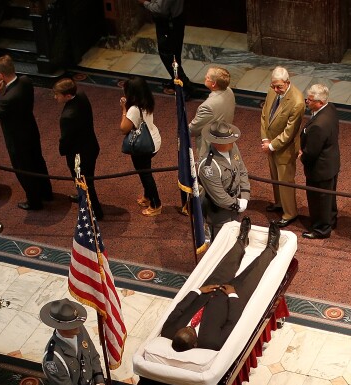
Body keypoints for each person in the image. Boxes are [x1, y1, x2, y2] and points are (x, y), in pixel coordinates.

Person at [161, 218, 280, 351]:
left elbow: (179, 309)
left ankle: (241, 242)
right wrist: (232, 296)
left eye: (185, 328)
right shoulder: (212, 343)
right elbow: (232, 321)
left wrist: (199, 291)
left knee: (226, 265)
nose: (189, 327)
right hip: (231, 299)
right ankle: (271, 248)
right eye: (191, 331)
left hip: (207, 292)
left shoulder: (168, 331)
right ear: (195, 344)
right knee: (254, 272)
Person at [0, 54, 53, 211]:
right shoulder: (25, 81)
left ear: (0, 75)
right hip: (30, 130)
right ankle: (46, 192)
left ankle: (34, 202)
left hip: (17, 139)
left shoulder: (8, 98)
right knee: (38, 162)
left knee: (23, 170)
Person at [261, 66, 304, 227]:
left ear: (287, 83)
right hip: (270, 144)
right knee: (275, 177)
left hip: (285, 148)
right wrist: (265, 138)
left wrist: (271, 145)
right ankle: (279, 203)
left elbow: (289, 132)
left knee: (285, 181)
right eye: (273, 86)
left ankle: (290, 213)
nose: (275, 89)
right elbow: (265, 113)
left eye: (279, 86)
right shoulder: (273, 90)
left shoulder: (297, 102)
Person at [53, 78, 102, 218]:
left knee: (84, 182)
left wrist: (62, 151)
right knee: (87, 180)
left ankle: (95, 212)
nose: (55, 97)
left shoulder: (68, 117)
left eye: (57, 94)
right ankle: (84, 198)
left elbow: (65, 140)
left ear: (67, 95)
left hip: (78, 155)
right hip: (91, 146)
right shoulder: (81, 95)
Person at [188, 66, 235, 209]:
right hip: (225, 137)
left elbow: (193, 129)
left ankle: (207, 206)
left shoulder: (207, 106)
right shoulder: (229, 92)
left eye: (207, 77)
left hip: (209, 144)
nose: (205, 78)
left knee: (207, 175)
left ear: (214, 84)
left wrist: (182, 129)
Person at [298, 83, 339, 239]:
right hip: (331, 163)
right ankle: (331, 219)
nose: (307, 102)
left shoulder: (319, 126)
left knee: (318, 200)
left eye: (310, 100)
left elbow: (312, 152)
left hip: (320, 168)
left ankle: (321, 229)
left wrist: (302, 156)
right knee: (329, 196)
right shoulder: (331, 108)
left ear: (320, 102)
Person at [198, 121, 250, 240]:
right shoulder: (208, 166)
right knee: (220, 246)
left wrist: (245, 197)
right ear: (216, 143)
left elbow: (242, 171)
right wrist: (237, 205)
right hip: (220, 214)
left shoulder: (233, 148)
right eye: (227, 141)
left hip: (235, 206)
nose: (232, 142)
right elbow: (219, 196)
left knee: (235, 239)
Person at [119, 76, 162, 216]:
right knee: (145, 171)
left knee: (145, 174)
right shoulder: (148, 100)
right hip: (153, 139)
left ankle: (156, 204)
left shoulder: (133, 109)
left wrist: (124, 110)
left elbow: (124, 128)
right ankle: (147, 197)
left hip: (143, 146)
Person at [137, 0, 193, 96]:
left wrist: (144, 3)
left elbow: (160, 9)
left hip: (169, 22)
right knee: (174, 52)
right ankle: (176, 79)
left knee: (167, 54)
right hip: (174, 19)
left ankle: (184, 85)